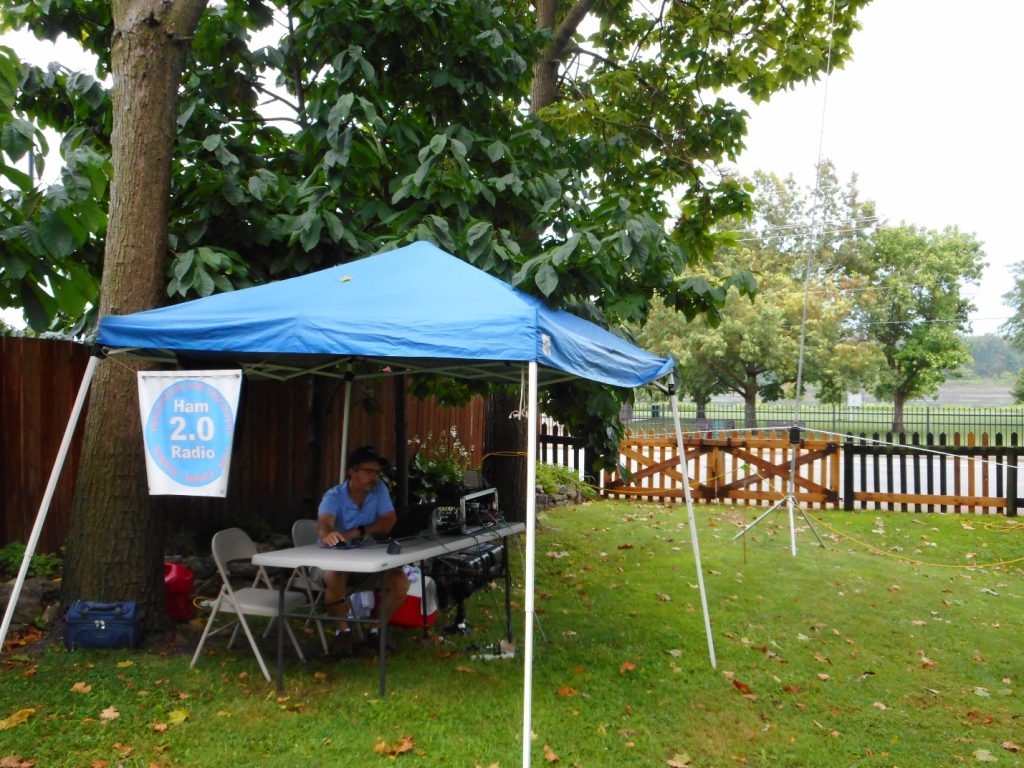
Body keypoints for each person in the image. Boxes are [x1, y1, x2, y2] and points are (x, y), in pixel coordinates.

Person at [318, 445, 410, 649]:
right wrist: (329, 534)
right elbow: (324, 524)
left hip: (367, 563)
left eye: (377, 472)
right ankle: (342, 633)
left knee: (400, 581)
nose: (375, 477)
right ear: (352, 471)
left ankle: (376, 630)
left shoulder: (379, 490)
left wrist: (359, 531)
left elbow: (389, 521)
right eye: (369, 471)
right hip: (333, 561)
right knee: (335, 576)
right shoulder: (333, 496)